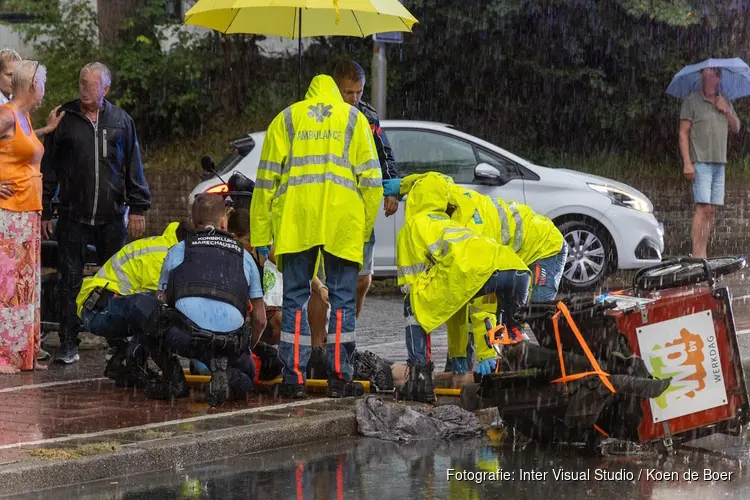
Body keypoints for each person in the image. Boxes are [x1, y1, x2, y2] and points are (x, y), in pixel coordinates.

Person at [250, 74, 382, 400]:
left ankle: (293, 379)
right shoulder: (354, 119)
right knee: (342, 302)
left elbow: (265, 182)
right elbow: (372, 182)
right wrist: (362, 228)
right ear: (337, 92)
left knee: (294, 300)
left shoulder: (287, 118)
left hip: (296, 222)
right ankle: (340, 377)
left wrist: (261, 235)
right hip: (341, 222)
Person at [396, 175, 567, 376]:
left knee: (537, 315)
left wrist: (486, 354)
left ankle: (561, 366)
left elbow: (483, 305)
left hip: (545, 247)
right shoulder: (452, 205)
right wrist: (401, 185)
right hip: (512, 263)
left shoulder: (468, 227)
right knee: (509, 324)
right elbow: (457, 302)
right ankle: (510, 368)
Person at [40, 62, 151, 364]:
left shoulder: (121, 121)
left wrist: (138, 207)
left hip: (112, 217)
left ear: (106, 89)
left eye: (92, 84)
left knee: (115, 281)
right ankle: (67, 341)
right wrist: (46, 209)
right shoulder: (65, 119)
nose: (85, 88)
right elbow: (48, 167)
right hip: (73, 216)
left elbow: (133, 166)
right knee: (70, 280)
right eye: (82, 82)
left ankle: (118, 342)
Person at [393, 173, 531, 403]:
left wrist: (424, 308)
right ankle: (516, 384)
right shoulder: (451, 223)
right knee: (509, 334)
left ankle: (419, 380)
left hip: (481, 274)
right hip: (516, 269)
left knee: (413, 306)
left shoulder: (413, 226)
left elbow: (411, 283)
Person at [148, 194, 266, 404]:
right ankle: (229, 375)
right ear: (224, 222)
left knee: (147, 312)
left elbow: (160, 303)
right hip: (230, 342)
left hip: (187, 339)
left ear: (193, 223)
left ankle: (173, 378)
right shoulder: (245, 256)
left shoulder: (178, 250)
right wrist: (245, 347)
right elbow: (260, 320)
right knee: (248, 378)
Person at [75, 220, 191, 385]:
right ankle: (135, 364)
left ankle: (123, 361)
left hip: (99, 306)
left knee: (150, 310)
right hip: (98, 310)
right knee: (156, 313)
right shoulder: (163, 258)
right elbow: (159, 308)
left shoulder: (165, 247)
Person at [332, 60, 400, 318]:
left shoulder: (368, 116)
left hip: (360, 208)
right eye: (348, 93)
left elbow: (386, 155)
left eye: (359, 92)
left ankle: (349, 334)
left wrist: (391, 189)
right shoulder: (323, 117)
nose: (354, 98)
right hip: (329, 206)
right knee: (326, 281)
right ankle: (322, 339)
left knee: (362, 279)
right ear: (336, 87)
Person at [0, 60, 53, 374]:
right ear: (33, 86)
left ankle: (23, 354)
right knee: (7, 287)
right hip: (9, 214)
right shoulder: (6, 116)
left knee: (25, 288)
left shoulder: (25, 117)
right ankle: (3, 355)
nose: (43, 90)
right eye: (42, 84)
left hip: (27, 213)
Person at [680, 66, 741, 258]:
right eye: (704, 76)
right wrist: (687, 163)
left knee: (712, 210)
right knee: (703, 207)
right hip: (701, 162)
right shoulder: (692, 101)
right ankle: (697, 256)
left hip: (719, 163)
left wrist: (726, 111)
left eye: (710, 76)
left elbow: (737, 127)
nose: (706, 79)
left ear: (718, 80)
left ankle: (702, 253)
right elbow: (683, 132)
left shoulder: (725, 101)